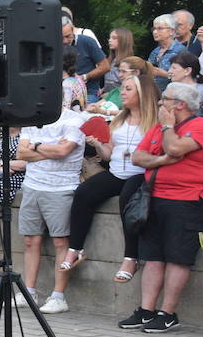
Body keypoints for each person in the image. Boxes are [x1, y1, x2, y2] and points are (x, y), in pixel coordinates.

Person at [124, 82, 203, 332]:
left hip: (189, 199)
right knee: (152, 256)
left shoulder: (202, 126)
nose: (161, 103)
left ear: (180, 104)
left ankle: (168, 313)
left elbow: (175, 146)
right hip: (155, 197)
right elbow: (138, 157)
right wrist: (162, 160)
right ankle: (146, 310)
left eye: (165, 99)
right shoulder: (159, 128)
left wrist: (167, 128)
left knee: (177, 257)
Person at [65, 72, 158, 284]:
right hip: (116, 171)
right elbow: (108, 154)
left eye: (128, 89)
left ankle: (131, 257)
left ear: (142, 93)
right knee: (84, 192)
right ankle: (75, 248)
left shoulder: (154, 121)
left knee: (128, 198)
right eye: (122, 88)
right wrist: (98, 144)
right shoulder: (118, 119)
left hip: (140, 174)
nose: (122, 93)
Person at [12, 99, 87, 313]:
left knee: (60, 241)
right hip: (32, 185)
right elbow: (21, 153)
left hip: (61, 188)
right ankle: (29, 292)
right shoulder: (31, 120)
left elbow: (64, 152)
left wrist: (35, 147)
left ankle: (58, 297)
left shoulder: (74, 120)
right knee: (30, 240)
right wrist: (49, 149)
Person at [63, 15, 110, 104]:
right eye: (61, 37)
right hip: (61, 92)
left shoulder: (87, 42)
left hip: (88, 92)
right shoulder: (54, 44)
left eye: (68, 36)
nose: (65, 41)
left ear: (73, 30)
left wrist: (84, 77)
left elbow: (105, 67)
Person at [148, 14, 185, 91]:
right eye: (154, 29)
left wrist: (164, 74)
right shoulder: (155, 51)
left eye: (159, 28)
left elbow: (185, 77)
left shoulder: (180, 50)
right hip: (154, 93)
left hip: (173, 94)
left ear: (171, 31)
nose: (155, 32)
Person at [102, 29, 136, 93]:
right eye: (109, 38)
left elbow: (127, 85)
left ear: (123, 40)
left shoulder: (128, 62)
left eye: (114, 38)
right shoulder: (111, 60)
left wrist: (109, 95)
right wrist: (103, 89)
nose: (110, 40)